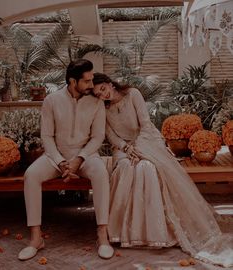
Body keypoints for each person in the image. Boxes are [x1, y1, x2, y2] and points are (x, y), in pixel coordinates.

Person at [92, 72, 233, 268]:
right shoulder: (102, 108)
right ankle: (123, 233)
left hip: (147, 141)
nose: (102, 95)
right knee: (125, 168)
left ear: (110, 84)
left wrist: (139, 149)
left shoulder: (133, 94)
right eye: (98, 94)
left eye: (103, 89)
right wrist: (127, 148)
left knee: (147, 168)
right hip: (123, 149)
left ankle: (154, 233)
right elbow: (110, 136)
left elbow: (146, 125)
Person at [18, 60, 114, 260]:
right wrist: (61, 162)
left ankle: (102, 236)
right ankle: (36, 238)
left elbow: (97, 137)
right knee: (31, 175)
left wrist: (80, 158)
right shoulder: (52, 101)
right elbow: (47, 136)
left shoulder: (96, 101)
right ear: (73, 81)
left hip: (86, 155)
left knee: (101, 173)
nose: (91, 84)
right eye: (87, 81)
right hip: (55, 156)